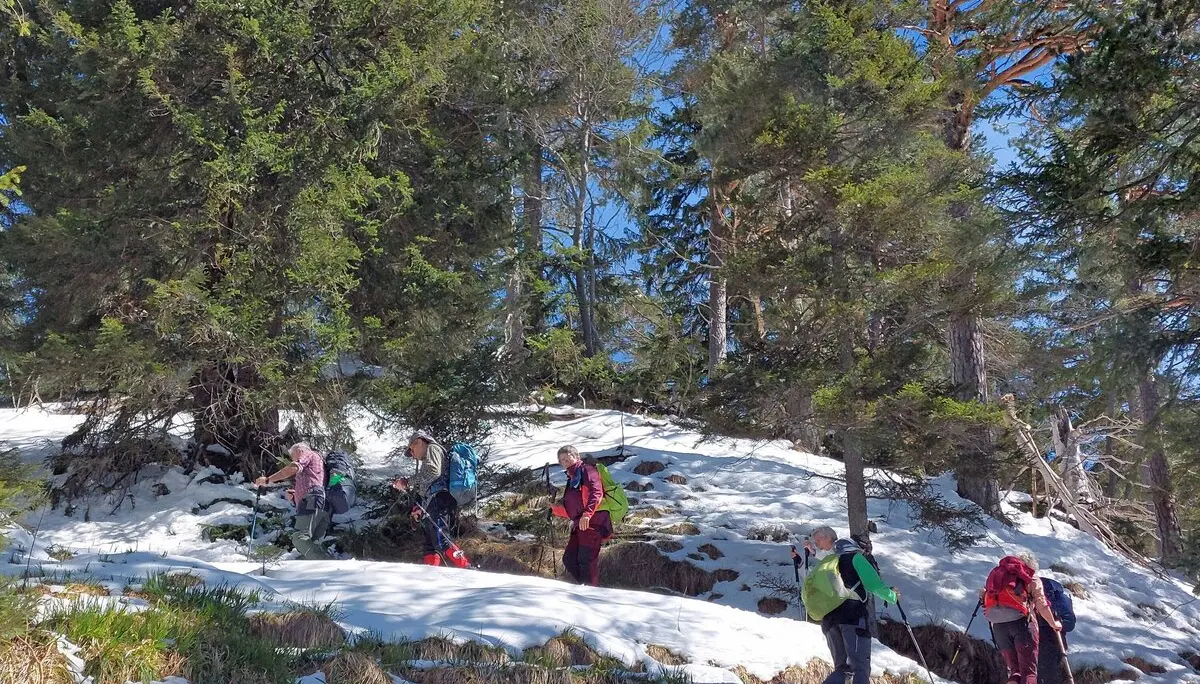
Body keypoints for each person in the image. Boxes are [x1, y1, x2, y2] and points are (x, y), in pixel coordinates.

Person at [797, 526, 898, 684]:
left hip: (828, 621)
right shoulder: (855, 558)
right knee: (860, 667)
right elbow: (874, 585)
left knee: (843, 669)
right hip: (852, 617)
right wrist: (892, 596)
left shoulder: (829, 562)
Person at [392, 430, 470, 568]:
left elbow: (433, 473)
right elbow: (427, 483)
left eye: (412, 448)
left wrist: (407, 482)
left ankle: (466, 567)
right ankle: (431, 574)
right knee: (430, 543)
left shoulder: (432, 448)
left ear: (421, 441)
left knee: (442, 539)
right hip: (434, 500)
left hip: (439, 498)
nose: (412, 454)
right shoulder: (428, 455)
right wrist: (418, 508)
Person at [981, 551, 1062, 684]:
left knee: (1015, 671)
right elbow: (1041, 604)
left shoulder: (1000, 575)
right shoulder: (1031, 577)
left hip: (999, 627)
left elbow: (985, 597)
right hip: (1022, 625)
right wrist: (1054, 624)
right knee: (1028, 672)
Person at [254, 442, 332, 560]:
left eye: (293, 457)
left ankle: (327, 563)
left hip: (312, 499)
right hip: (322, 503)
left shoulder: (308, 454)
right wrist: (296, 496)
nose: (294, 459)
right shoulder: (319, 462)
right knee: (313, 542)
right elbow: (316, 483)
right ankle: (323, 570)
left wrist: (268, 480)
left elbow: (293, 468)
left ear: (299, 450)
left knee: (299, 538)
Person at [550, 445, 612, 586]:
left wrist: (587, 514)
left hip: (594, 521)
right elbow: (574, 509)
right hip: (581, 524)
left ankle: (591, 594)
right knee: (570, 559)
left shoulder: (587, 470)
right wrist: (554, 509)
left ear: (576, 456)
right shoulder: (572, 478)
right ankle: (586, 588)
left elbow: (597, 493)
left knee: (586, 560)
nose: (565, 462)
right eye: (561, 460)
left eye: (567, 458)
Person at [1037, 575, 1076, 684]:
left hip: (1032, 638)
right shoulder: (1061, 597)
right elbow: (1070, 624)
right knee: (1051, 673)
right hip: (1056, 639)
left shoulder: (1029, 593)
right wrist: (1059, 623)